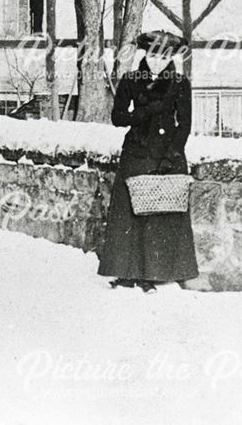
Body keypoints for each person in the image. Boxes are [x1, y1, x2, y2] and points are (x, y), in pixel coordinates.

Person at [98, 30, 199, 292]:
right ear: (146, 54)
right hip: (136, 153)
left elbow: (185, 125)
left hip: (166, 156)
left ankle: (153, 274)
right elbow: (118, 117)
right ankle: (127, 272)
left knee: (160, 216)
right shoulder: (131, 80)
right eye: (153, 55)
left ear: (171, 58)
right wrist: (142, 113)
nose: (156, 62)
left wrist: (171, 155)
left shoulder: (179, 83)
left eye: (163, 57)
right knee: (128, 215)